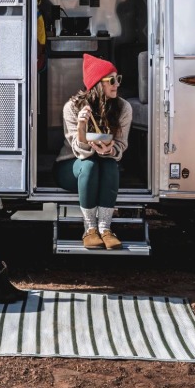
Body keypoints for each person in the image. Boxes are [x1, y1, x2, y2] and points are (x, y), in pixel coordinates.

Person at [55, 54, 131, 249]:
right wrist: (82, 126)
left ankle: (105, 229)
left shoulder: (123, 107)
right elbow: (78, 151)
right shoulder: (72, 107)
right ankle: (89, 229)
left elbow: (121, 145)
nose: (117, 84)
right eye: (111, 80)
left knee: (109, 164)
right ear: (97, 83)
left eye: (118, 79)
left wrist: (110, 149)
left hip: (103, 165)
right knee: (90, 165)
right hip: (71, 165)